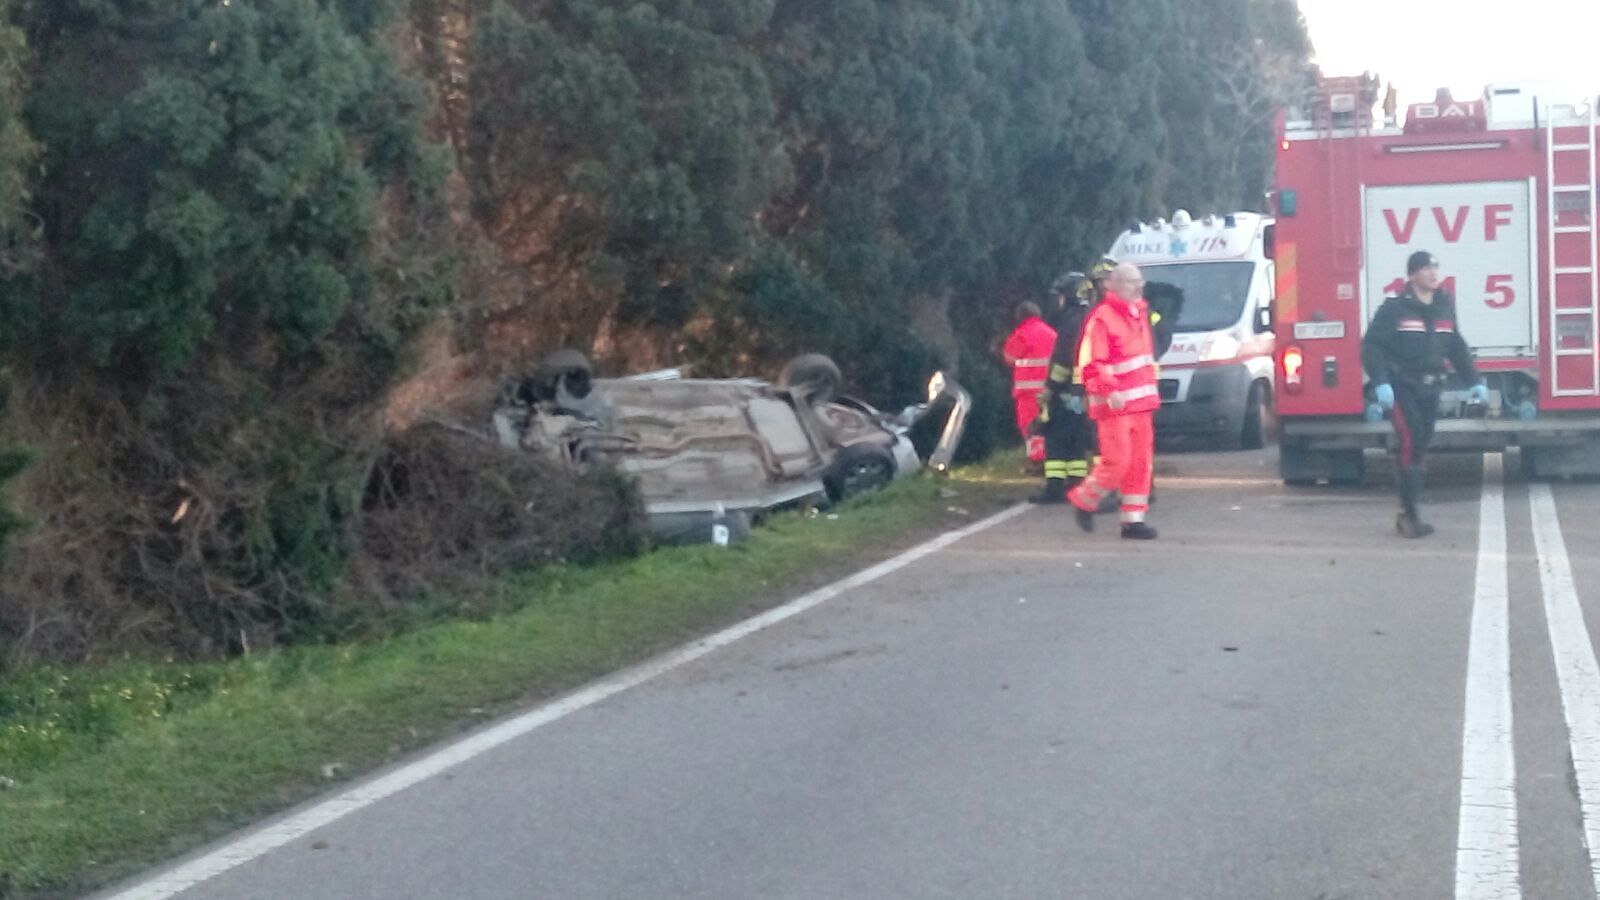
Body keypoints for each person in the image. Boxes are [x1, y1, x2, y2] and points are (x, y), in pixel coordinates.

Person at [1362, 250, 1487, 538]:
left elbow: (1455, 345)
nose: (1433, 273)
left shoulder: (1444, 304)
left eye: (1435, 267)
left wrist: (1474, 381)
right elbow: (1372, 346)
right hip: (1401, 387)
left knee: (1421, 446)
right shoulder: (1395, 307)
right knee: (1411, 440)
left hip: (1431, 389)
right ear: (1412, 275)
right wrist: (1381, 382)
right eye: (1426, 268)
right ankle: (1409, 514)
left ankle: (1409, 510)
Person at [1068, 263, 1160, 539]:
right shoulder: (1102, 319)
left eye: (1140, 281)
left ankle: (1133, 522)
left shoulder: (1138, 314)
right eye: (1132, 282)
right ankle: (1084, 500)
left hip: (1141, 405)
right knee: (1117, 461)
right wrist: (1110, 390)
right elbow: (1094, 362)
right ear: (1113, 285)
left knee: (1140, 465)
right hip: (1115, 406)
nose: (1139, 286)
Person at [1030, 272, 1096, 503]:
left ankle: (1054, 489)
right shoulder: (1089, 317)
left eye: (1059, 296)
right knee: (1076, 438)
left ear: (1069, 296)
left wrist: (1050, 388)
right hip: (1085, 391)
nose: (1056, 301)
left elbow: (1062, 360)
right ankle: (1076, 484)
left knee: (1056, 438)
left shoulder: (1071, 322)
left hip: (1068, 391)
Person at [1002, 300, 1057, 469]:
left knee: (1030, 424)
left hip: (1028, 390)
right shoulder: (1051, 333)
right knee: (1048, 423)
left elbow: (1009, 358)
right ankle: (1051, 457)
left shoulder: (1021, 334)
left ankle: (1036, 461)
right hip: (1049, 388)